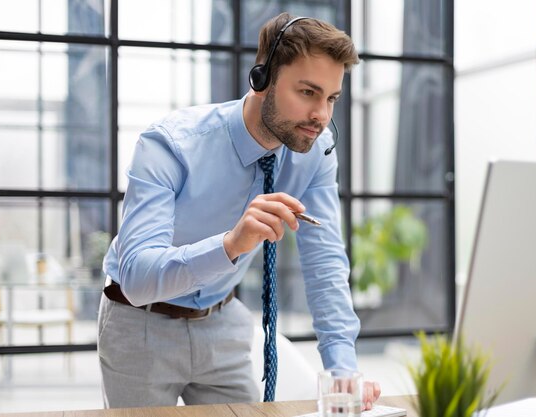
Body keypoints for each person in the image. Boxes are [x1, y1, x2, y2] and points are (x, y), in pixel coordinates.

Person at [98, 12, 381, 409]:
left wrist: (342, 370)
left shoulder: (314, 155)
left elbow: (325, 263)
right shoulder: (170, 145)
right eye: (307, 92)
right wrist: (231, 244)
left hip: (222, 319)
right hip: (139, 323)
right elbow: (137, 278)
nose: (321, 115)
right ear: (262, 80)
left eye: (331, 98)